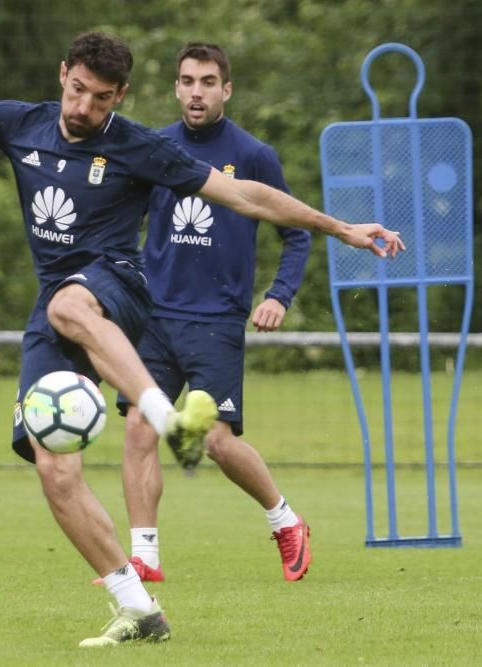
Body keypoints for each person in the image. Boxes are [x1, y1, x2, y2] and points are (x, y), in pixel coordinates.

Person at [0, 32, 404, 647]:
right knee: (54, 464)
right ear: (63, 75)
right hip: (56, 306)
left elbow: (243, 194)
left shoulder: (137, 145)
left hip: (119, 286)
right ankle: (138, 609)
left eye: (101, 98)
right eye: (78, 91)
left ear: (121, 96)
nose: (85, 108)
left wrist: (340, 226)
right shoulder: (19, 124)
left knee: (69, 303)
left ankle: (168, 418)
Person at [109, 43, 317, 589]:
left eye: (207, 81)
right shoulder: (153, 148)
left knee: (219, 442)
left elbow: (295, 235)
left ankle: (286, 521)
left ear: (226, 90)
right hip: (153, 316)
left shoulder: (253, 155)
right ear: (176, 88)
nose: (196, 91)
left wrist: (279, 295)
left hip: (217, 320)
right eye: (187, 81)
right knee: (137, 427)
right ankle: (144, 556)